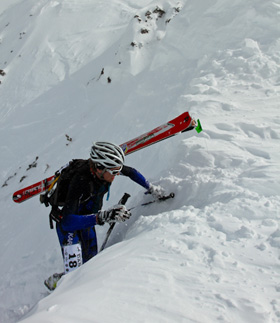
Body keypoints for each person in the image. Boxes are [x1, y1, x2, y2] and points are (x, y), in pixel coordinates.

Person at [44, 141, 164, 290]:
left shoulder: (106, 169)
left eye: (117, 170)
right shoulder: (80, 181)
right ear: (100, 168)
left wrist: (151, 188)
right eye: (113, 172)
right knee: (73, 277)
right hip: (68, 225)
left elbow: (131, 172)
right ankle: (57, 283)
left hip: (87, 218)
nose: (116, 174)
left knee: (90, 266)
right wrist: (103, 217)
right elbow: (68, 222)